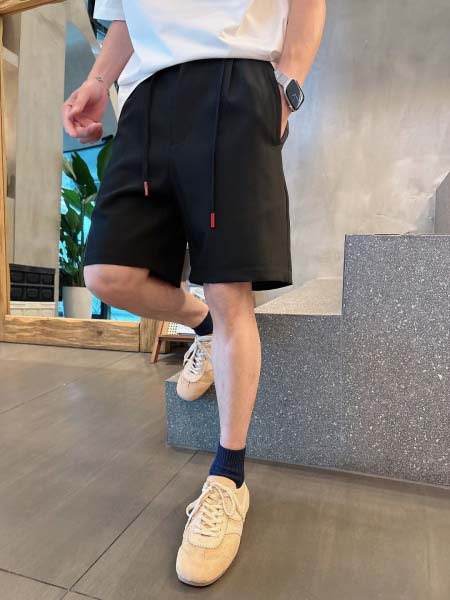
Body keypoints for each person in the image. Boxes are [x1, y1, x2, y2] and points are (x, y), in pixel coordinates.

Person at [62, 0, 326, 587]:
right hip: (145, 98)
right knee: (106, 273)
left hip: (235, 79)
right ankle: (201, 326)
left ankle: (229, 479)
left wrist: (288, 89)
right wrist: (98, 80)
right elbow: (126, 16)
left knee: (229, 289)